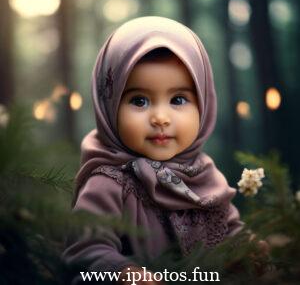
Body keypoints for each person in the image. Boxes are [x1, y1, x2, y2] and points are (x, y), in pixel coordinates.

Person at [62, 16, 244, 284]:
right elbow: (85, 250)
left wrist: (250, 251)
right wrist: (122, 272)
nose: (160, 117)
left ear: (203, 103)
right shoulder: (109, 183)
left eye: (178, 99)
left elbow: (230, 233)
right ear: (109, 106)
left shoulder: (204, 176)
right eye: (139, 100)